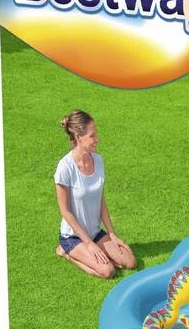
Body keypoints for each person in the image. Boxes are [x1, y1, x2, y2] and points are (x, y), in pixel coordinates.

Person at [54, 110, 136, 278]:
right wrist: (89, 243)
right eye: (92, 136)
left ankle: (97, 251)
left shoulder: (98, 161)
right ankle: (66, 252)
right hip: (73, 236)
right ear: (78, 137)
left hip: (94, 232)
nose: (97, 139)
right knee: (108, 271)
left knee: (130, 262)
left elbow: (101, 201)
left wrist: (112, 234)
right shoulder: (65, 167)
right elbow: (65, 211)